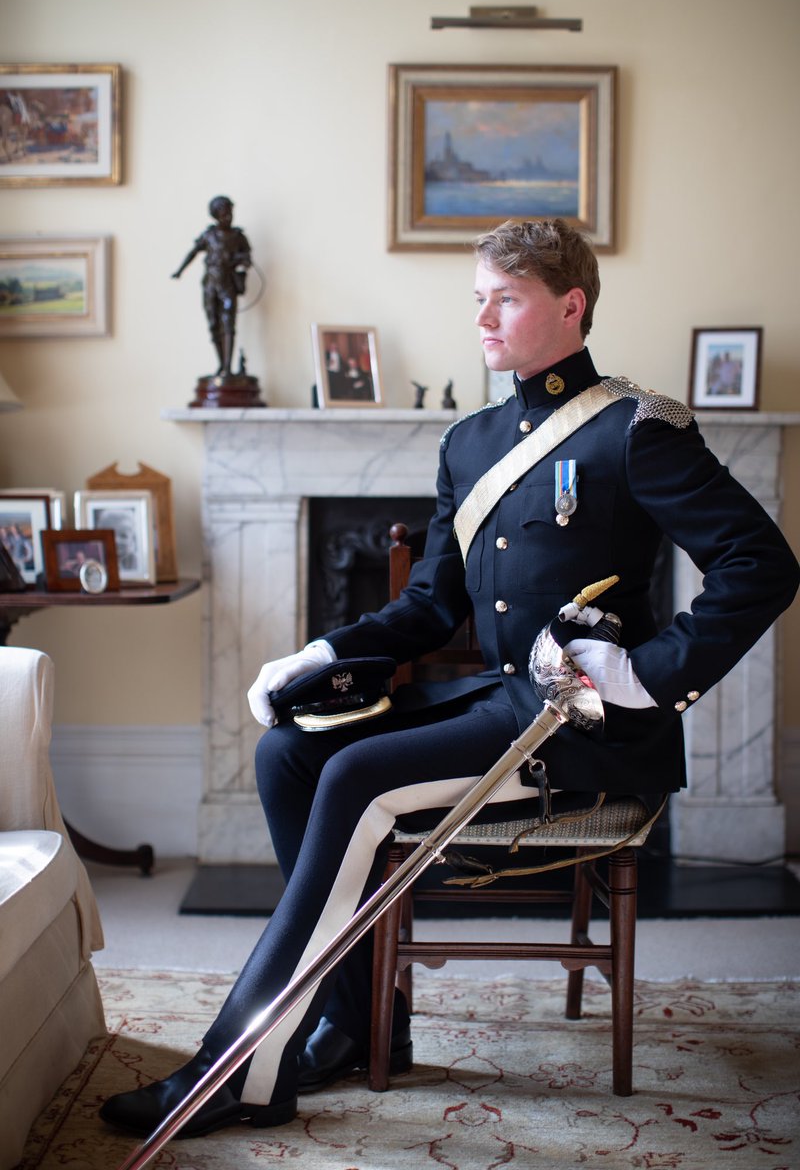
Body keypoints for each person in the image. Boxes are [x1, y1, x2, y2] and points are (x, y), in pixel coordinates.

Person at [101, 218, 799, 1140]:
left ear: (571, 305)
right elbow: (430, 605)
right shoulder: (469, 444)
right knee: (287, 755)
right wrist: (324, 657)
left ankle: (240, 1070)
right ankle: (360, 1025)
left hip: (578, 726)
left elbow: (763, 564)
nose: (483, 317)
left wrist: (644, 674)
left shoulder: (638, 430)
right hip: (493, 705)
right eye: (479, 298)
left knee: (356, 778)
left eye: (504, 298)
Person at [172, 195, 251, 377]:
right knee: (214, 324)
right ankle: (221, 365)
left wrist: (238, 260)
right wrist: (179, 271)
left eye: (230, 213)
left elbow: (247, 258)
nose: (228, 217)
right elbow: (193, 253)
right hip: (210, 284)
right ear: (216, 215)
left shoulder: (238, 237)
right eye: (224, 214)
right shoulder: (209, 236)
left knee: (228, 323)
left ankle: (228, 368)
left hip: (228, 285)